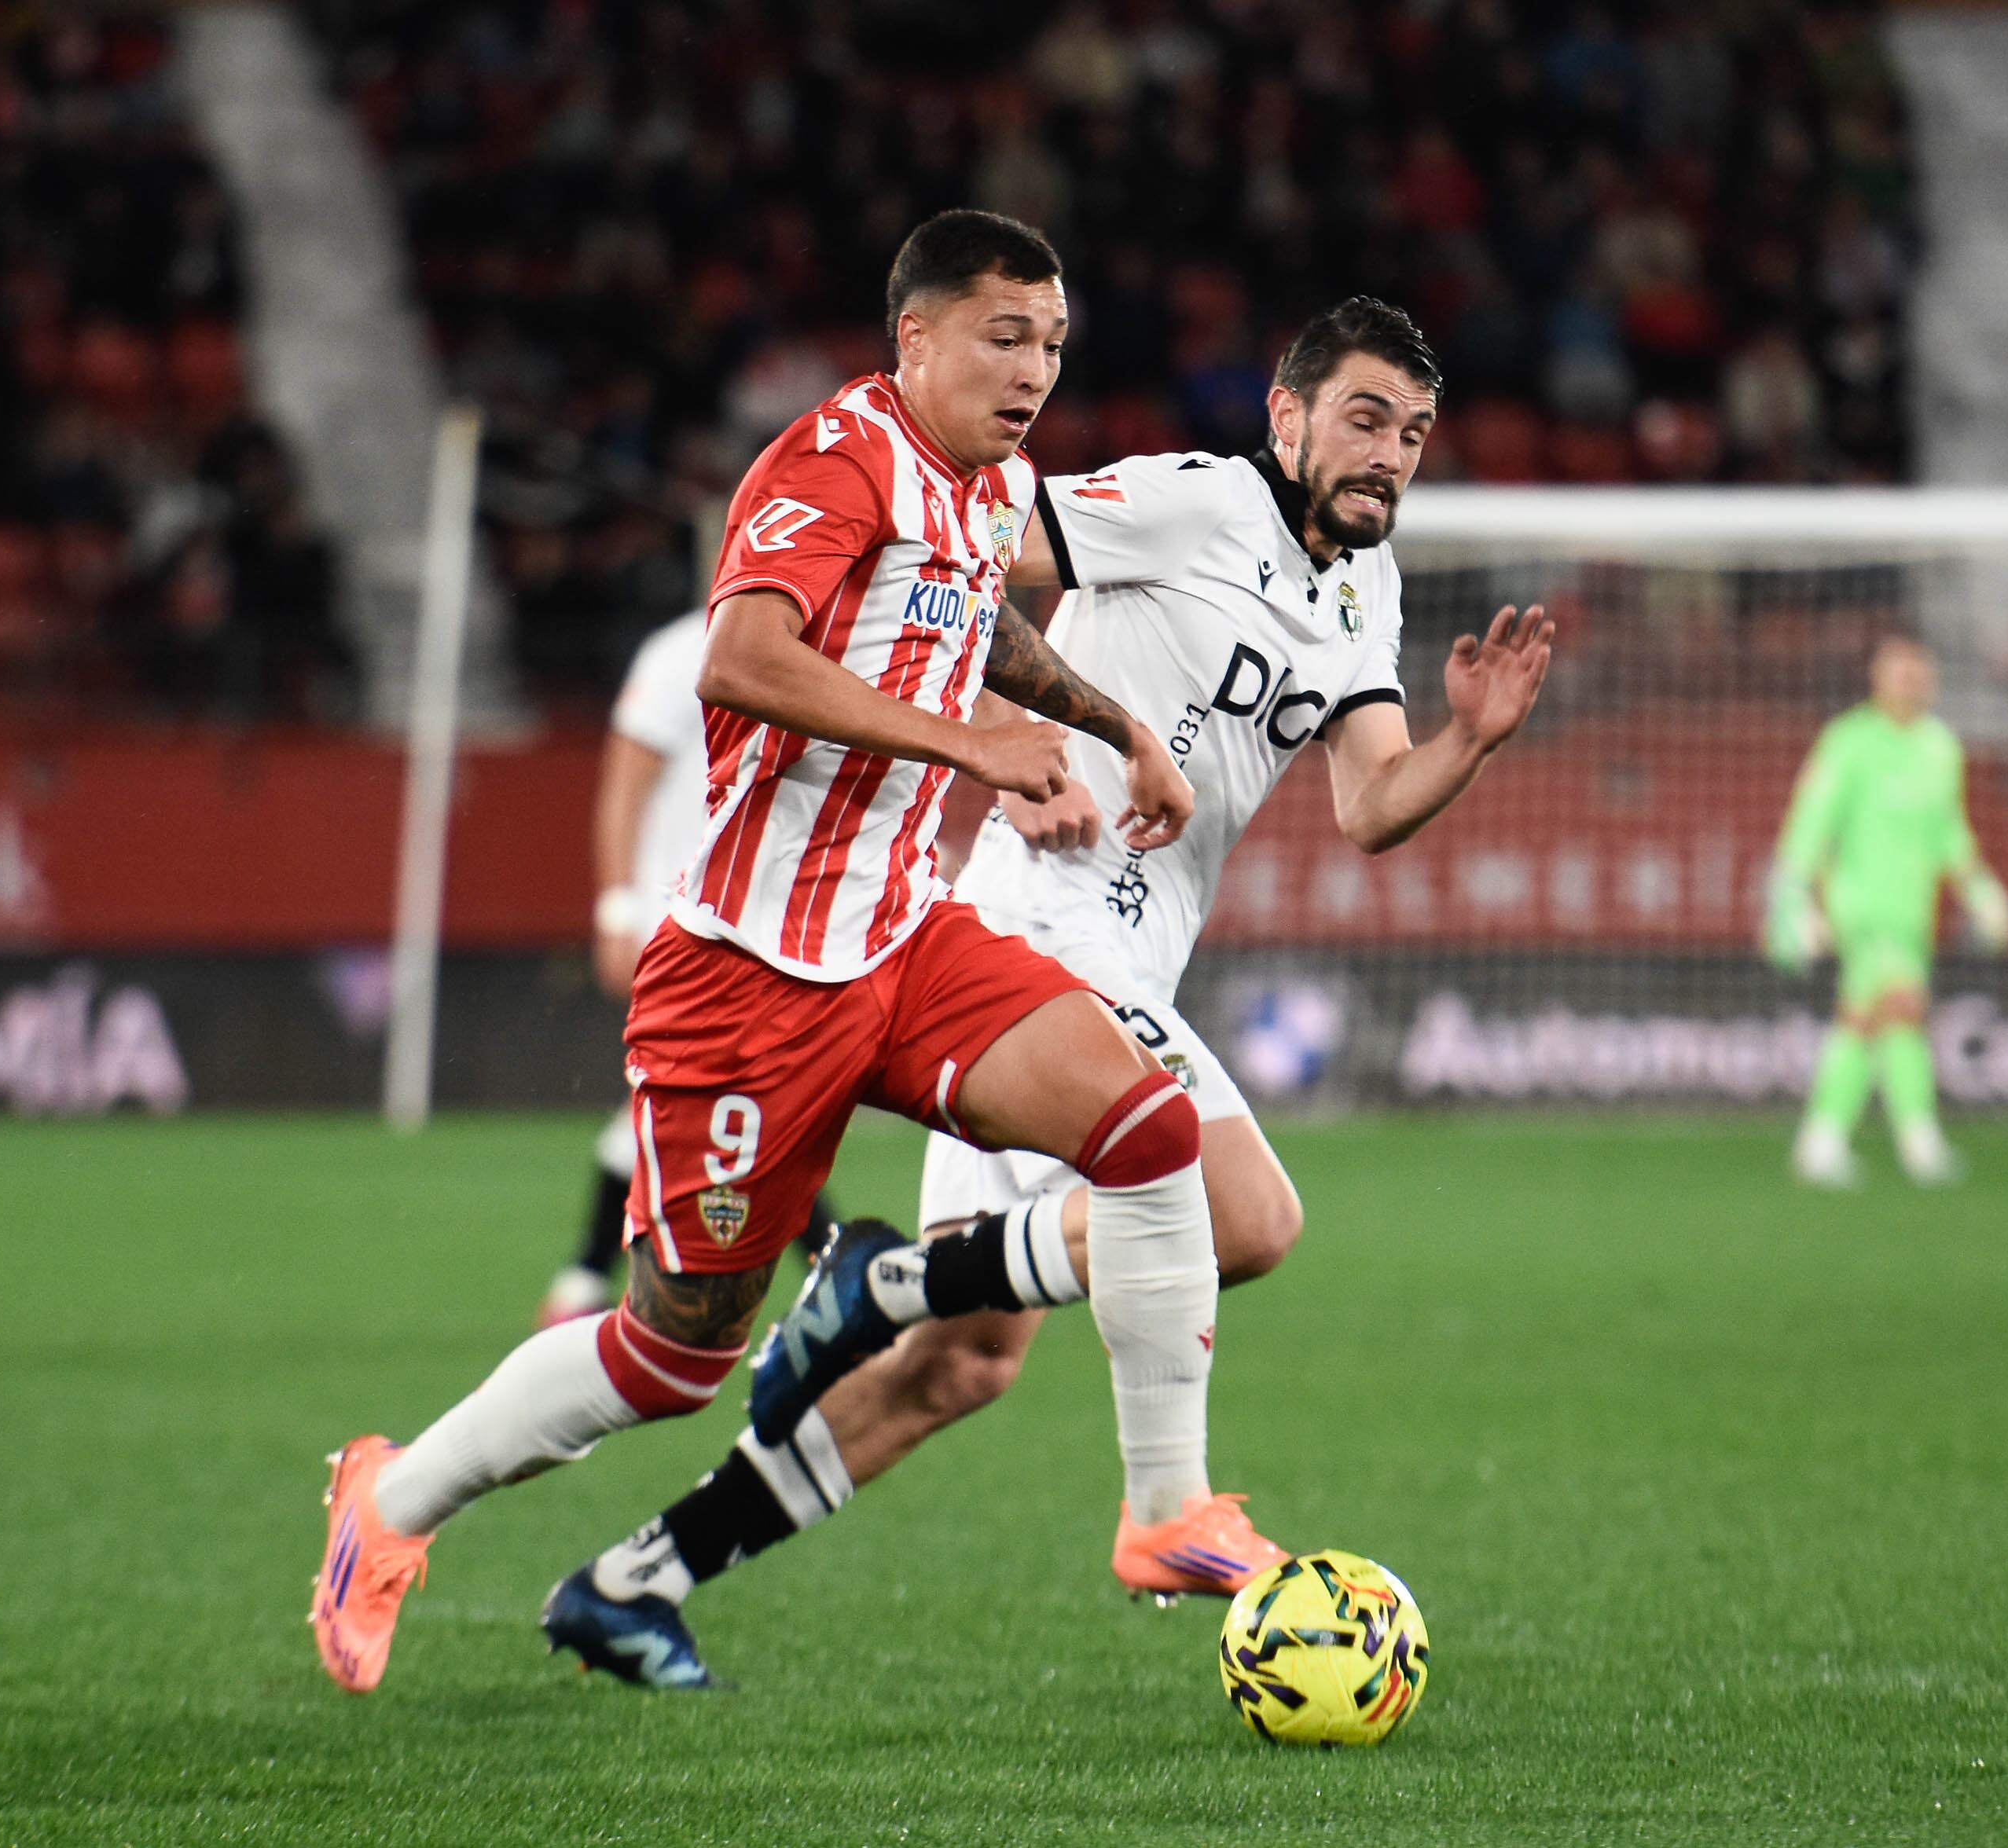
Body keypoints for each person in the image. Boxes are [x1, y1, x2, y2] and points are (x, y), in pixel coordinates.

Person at [542, 297, 1555, 1688]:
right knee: (1244, 1216)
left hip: (1128, 957)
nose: (1390, 452)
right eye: (1365, 417)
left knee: (961, 1363)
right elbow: (966, 547)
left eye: (1415, 433)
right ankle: (887, 1283)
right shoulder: (1189, 501)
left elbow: (1373, 803)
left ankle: (634, 1576)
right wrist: (1012, 736)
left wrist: (1470, 742)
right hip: (1034, 930)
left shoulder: (1360, 588)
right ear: (1286, 416)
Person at [311, 210, 1257, 1697]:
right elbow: (739, 659)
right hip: (750, 974)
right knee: (674, 1357)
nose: (1032, 373)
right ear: (916, 337)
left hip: (903, 935)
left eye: (1053, 346)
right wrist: (972, 745)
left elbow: (976, 623)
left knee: (1145, 1136)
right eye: (1003, 337)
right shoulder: (830, 461)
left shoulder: (983, 482)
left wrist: (1109, 724)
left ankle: (1164, 1512)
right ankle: (389, 1502)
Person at [536, 610, 833, 1332]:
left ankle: (586, 1279)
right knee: (751, 1095)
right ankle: (832, 1268)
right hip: (684, 920)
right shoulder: (679, 651)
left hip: (763, 920)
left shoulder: (826, 643)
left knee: (709, 1096)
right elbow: (625, 784)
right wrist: (616, 910)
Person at [1765, 635, 2008, 1186]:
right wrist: (1791, 892)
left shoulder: (1941, 748)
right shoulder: (1849, 741)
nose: (1910, 682)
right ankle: (1915, 1141)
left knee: (1872, 1019)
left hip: (1911, 913)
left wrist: (1980, 890)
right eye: (1899, 672)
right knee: (1901, 1005)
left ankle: (1826, 1140)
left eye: (1918, 672)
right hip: (1858, 905)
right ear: (1877, 678)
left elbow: (1948, 831)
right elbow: (1812, 820)